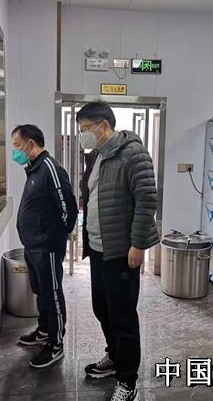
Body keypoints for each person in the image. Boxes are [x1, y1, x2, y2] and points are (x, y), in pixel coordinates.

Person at [77, 102, 159, 401]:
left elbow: (147, 201)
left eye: (86, 129)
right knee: (102, 308)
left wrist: (138, 245)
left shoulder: (133, 154)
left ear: (104, 125)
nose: (83, 135)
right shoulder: (97, 155)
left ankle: (127, 379)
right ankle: (114, 356)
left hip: (122, 251)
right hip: (99, 249)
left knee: (122, 316)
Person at [12, 124, 78, 369]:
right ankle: (44, 330)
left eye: (17, 146)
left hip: (46, 246)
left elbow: (69, 208)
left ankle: (56, 343)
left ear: (31, 143)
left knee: (52, 293)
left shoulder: (50, 168)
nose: (15, 151)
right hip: (33, 245)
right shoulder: (34, 169)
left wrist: (54, 237)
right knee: (41, 291)